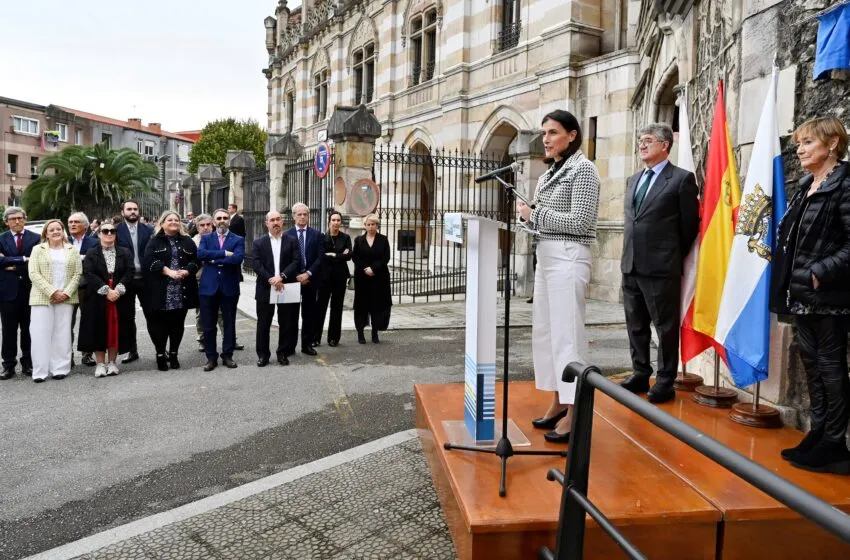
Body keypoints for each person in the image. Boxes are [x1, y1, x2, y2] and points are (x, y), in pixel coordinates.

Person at [770, 116, 850, 474]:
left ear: (832, 144)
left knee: (831, 368)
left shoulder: (846, 184)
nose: (799, 149)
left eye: (808, 143)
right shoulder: (806, 185)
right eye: (799, 143)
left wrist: (820, 272)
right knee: (812, 365)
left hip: (830, 296)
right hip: (801, 292)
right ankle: (818, 433)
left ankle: (834, 442)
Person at [516, 110, 601, 443]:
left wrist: (535, 213)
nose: (546, 139)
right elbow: (540, 221)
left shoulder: (584, 170)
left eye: (552, 132)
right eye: (544, 133)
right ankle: (558, 400)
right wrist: (527, 217)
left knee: (568, 336)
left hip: (569, 257)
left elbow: (579, 222)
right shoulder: (548, 174)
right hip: (547, 256)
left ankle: (576, 408)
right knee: (547, 335)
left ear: (572, 135)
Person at [617, 123, 700, 405]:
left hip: (661, 268)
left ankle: (665, 381)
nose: (642, 145)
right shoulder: (633, 179)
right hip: (631, 264)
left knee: (664, 327)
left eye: (648, 140)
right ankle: (641, 372)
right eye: (640, 140)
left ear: (665, 145)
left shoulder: (681, 180)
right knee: (635, 324)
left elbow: (689, 227)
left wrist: (668, 255)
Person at [143, 211, 200, 371]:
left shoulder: (188, 241)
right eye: (170, 220)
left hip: (181, 290)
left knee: (177, 325)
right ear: (162, 223)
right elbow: (149, 261)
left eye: (176, 220)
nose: (174, 222)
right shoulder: (154, 241)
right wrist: (168, 271)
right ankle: (160, 355)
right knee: (160, 326)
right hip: (161, 290)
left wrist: (187, 271)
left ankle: (174, 355)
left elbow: (196, 261)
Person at [27, 220, 82, 382]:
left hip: (66, 297)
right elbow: (33, 273)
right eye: (52, 229)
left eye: (59, 229)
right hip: (42, 298)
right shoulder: (37, 249)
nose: (56, 231)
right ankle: (40, 371)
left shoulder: (72, 250)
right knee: (39, 334)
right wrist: (52, 292)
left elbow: (77, 274)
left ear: (63, 231)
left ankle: (60, 368)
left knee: (62, 333)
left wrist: (65, 293)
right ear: (46, 233)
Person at [78, 221, 135, 378]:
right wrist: (106, 290)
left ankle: (112, 363)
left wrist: (119, 289)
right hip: (98, 296)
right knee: (98, 328)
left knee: (116, 329)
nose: (109, 233)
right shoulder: (91, 253)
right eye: (105, 231)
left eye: (112, 231)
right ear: (99, 233)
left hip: (119, 295)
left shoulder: (125, 252)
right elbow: (89, 273)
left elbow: (130, 271)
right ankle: (100, 364)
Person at [197, 208, 244, 371]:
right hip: (208, 287)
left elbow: (238, 258)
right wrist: (224, 253)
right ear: (214, 221)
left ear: (228, 220)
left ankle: (227, 356)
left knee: (229, 323)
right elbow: (201, 254)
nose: (222, 220)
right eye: (219, 218)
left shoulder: (238, 239)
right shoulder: (206, 238)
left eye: (225, 218)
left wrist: (213, 259)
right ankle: (211, 358)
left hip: (229, 287)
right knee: (208, 325)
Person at [252, 210, 301, 366]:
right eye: (272, 220)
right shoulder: (258, 242)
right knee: (263, 323)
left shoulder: (292, 240)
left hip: (286, 286)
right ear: (266, 223)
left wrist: (282, 276)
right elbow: (256, 264)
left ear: (282, 222)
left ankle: (282, 353)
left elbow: (296, 261)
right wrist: (271, 279)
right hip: (266, 287)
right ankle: (263, 355)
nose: (275, 223)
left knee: (286, 322)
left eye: (278, 219)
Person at [0, 206, 40, 379]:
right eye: (13, 219)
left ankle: (28, 363)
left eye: (20, 218)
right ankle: (8, 365)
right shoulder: (1, 239)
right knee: (8, 330)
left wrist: (8, 262)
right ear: (6, 222)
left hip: (30, 289)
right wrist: (23, 259)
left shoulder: (36, 238)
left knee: (29, 329)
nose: (17, 221)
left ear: (25, 219)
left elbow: (37, 261)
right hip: (7, 292)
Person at [284, 203, 325, 356]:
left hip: (310, 280)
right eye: (299, 214)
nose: (302, 217)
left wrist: (308, 274)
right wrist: (296, 276)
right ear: (294, 216)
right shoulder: (286, 235)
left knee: (309, 314)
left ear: (308, 216)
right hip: (293, 281)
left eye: (305, 214)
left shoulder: (317, 235)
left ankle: (307, 345)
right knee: (291, 315)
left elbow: (320, 258)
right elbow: (285, 259)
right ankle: (290, 346)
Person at [116, 200, 153, 364]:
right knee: (127, 317)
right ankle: (132, 350)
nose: (132, 212)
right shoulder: (115, 231)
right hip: (126, 280)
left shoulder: (149, 230)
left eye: (135, 209)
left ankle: (160, 349)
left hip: (146, 280)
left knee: (153, 316)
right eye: (129, 209)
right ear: (123, 212)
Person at [352, 213, 392, 344]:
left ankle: (375, 332)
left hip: (379, 277)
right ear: (365, 226)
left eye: (373, 224)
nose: (371, 227)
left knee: (377, 305)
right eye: (368, 224)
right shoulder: (358, 240)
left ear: (377, 225)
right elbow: (355, 257)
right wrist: (366, 269)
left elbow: (385, 257)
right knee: (362, 305)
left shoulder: (383, 239)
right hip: (362, 278)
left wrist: (373, 269)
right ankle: (360, 333)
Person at [68, 212, 99, 367]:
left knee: (88, 322)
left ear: (86, 226)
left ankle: (87, 355)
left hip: (87, 287)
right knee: (67, 324)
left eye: (76, 222)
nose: (72, 224)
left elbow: (95, 262)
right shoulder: (63, 241)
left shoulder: (94, 242)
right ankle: (68, 356)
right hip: (67, 289)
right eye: (70, 222)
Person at [317, 211, 352, 347]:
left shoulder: (345, 237)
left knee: (337, 308)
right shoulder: (322, 237)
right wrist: (339, 254)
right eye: (334, 220)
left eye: (338, 220)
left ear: (340, 222)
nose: (336, 223)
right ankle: (316, 337)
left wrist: (333, 254)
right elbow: (321, 255)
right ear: (329, 221)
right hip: (324, 278)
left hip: (340, 277)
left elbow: (349, 254)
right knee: (320, 308)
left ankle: (333, 338)